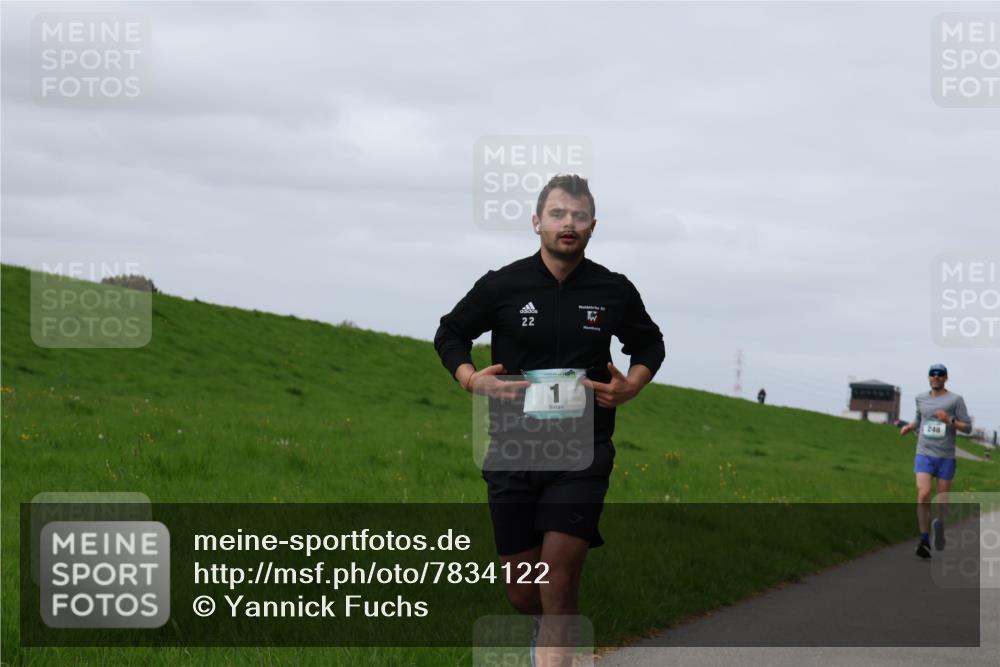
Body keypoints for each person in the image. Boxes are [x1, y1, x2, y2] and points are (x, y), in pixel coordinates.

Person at [434, 174, 665, 665]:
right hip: (513, 450)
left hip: (582, 452)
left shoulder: (613, 290)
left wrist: (632, 384)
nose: (569, 224)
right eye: (558, 214)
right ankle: (555, 638)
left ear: (592, 226)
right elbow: (450, 333)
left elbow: (650, 343)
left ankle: (557, 642)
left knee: (558, 583)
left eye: (579, 217)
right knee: (525, 591)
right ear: (537, 221)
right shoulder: (503, 285)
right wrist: (472, 379)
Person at [899, 363, 973, 559]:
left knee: (942, 501)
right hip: (924, 453)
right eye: (933, 374)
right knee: (923, 494)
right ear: (929, 377)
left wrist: (949, 420)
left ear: (946, 378)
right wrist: (910, 426)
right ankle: (924, 540)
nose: (936, 377)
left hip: (945, 457)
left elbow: (968, 428)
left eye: (940, 374)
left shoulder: (955, 400)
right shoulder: (920, 398)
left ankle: (939, 527)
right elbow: (919, 419)